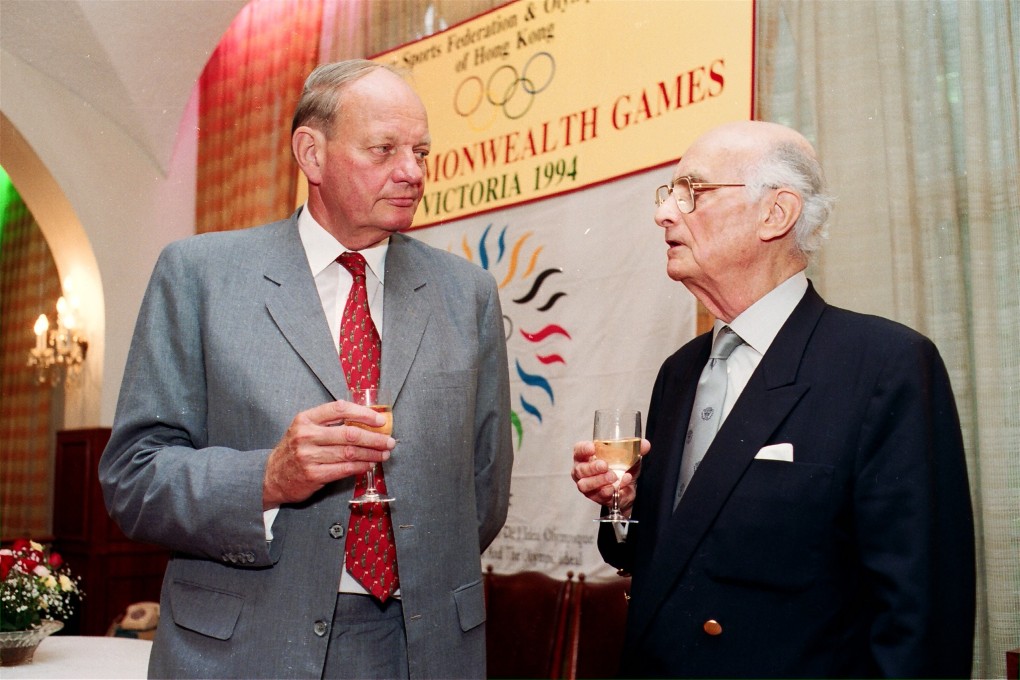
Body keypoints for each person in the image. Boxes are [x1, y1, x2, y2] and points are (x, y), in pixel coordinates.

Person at [100, 60, 513, 679]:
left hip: (418, 650)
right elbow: (133, 480)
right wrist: (266, 479)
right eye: (384, 149)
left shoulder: (468, 293)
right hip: (245, 650)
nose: (412, 171)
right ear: (311, 154)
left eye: (421, 151)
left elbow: (483, 487)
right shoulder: (200, 277)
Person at [571, 120, 975, 678]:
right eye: (668, 195)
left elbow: (919, 620)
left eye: (692, 191)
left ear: (776, 213)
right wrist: (624, 503)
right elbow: (660, 560)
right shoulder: (680, 371)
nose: (664, 213)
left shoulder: (885, 366)